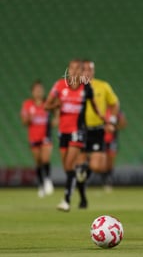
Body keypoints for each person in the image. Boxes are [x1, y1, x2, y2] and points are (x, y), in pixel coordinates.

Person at [44, 59, 104, 212]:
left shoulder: (86, 88)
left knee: (69, 164)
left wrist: (104, 119)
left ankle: (66, 200)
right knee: (67, 167)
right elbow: (46, 105)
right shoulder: (59, 86)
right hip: (63, 132)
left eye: (79, 69)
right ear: (68, 70)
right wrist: (55, 106)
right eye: (73, 68)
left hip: (78, 131)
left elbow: (94, 105)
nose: (75, 71)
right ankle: (81, 172)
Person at [75, 60, 119, 192]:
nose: (88, 71)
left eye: (90, 69)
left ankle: (85, 171)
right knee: (79, 160)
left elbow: (115, 104)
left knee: (97, 166)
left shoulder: (103, 86)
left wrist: (111, 121)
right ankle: (80, 184)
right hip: (80, 129)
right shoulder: (75, 87)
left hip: (98, 129)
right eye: (85, 69)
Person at [20, 80, 55, 198]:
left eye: (40, 90)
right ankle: (41, 185)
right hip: (34, 137)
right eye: (36, 90)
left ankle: (48, 180)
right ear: (32, 92)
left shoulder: (47, 104)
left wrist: (57, 120)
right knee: (39, 162)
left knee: (45, 159)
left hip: (46, 136)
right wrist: (30, 117)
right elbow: (24, 122)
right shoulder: (28, 104)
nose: (39, 92)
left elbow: (57, 114)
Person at [102, 108, 127, 192]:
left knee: (110, 161)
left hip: (112, 140)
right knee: (102, 161)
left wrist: (114, 127)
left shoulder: (116, 110)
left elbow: (123, 124)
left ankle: (108, 181)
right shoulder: (100, 108)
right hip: (100, 139)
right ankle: (104, 179)